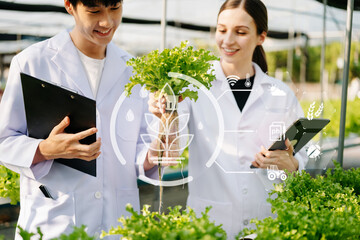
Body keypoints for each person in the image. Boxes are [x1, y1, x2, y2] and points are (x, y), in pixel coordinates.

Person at [148, 0, 307, 238]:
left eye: (240, 32)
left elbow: (306, 153)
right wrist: (165, 115)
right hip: (209, 223)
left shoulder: (281, 93)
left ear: (261, 37)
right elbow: (170, 152)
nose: (228, 40)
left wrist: (293, 165)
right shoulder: (193, 86)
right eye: (222, 30)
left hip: (267, 221)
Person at [0, 0, 157, 239]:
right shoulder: (33, 62)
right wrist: (45, 149)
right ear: (69, 6)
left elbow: (138, 154)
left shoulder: (134, 70)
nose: (107, 22)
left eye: (115, 8)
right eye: (94, 11)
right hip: (55, 223)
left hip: (118, 224)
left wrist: (160, 145)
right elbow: (4, 141)